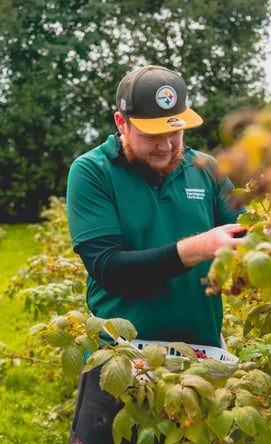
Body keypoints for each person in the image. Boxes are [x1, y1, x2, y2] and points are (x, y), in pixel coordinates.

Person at [66, 65, 245, 444]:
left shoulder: (205, 170)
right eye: (152, 134)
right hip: (119, 360)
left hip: (199, 362)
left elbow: (244, 231)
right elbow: (108, 267)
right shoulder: (92, 172)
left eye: (175, 131)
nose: (166, 145)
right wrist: (197, 248)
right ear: (121, 122)